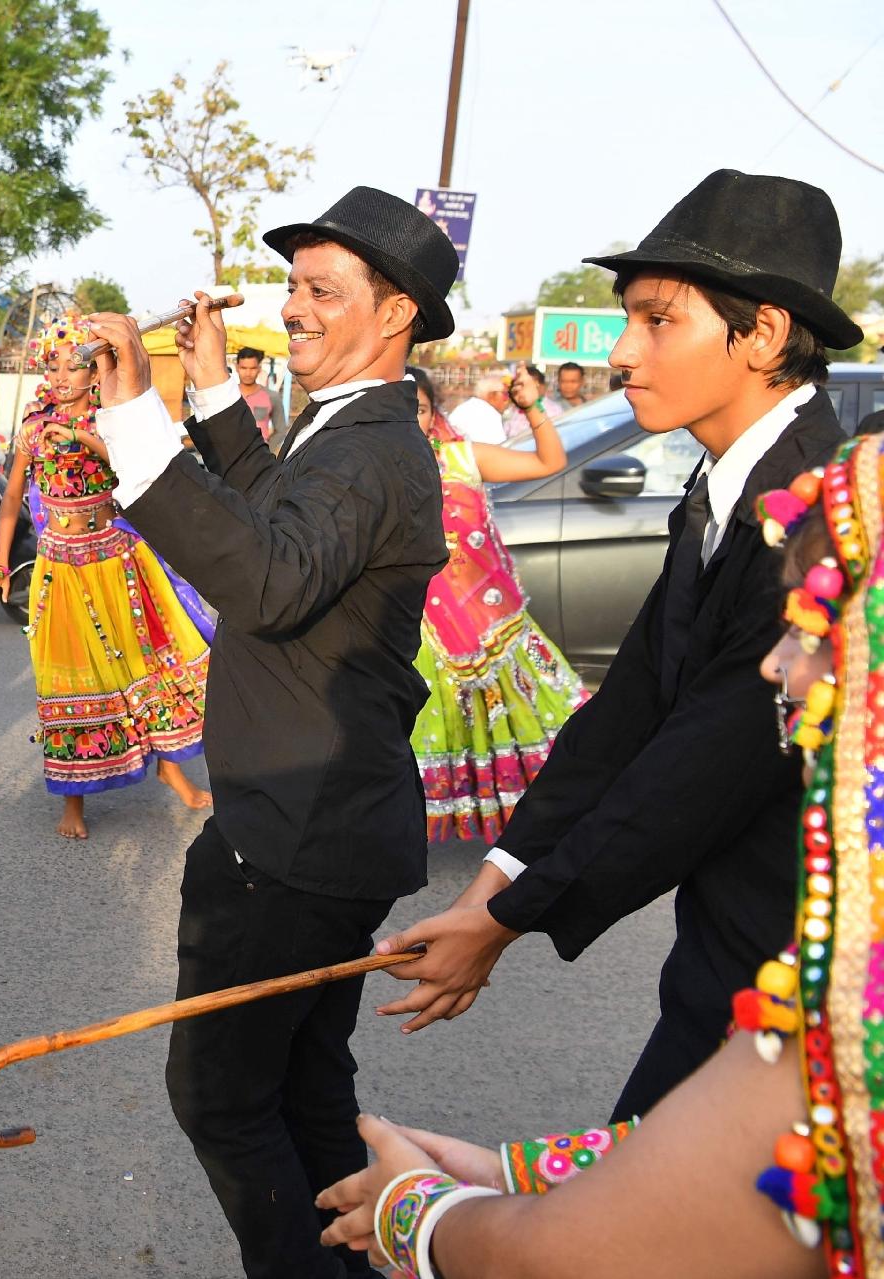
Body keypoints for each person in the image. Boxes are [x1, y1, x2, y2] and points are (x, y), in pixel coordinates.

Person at [310, 435, 884, 1279]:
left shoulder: (860, 991)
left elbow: (572, 1257)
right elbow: (740, 1158)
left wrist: (417, 1210)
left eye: (814, 633)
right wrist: (504, 1172)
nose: (777, 662)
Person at [374, 170, 861, 1126]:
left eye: (658, 320)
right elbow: (629, 710)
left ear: (761, 335)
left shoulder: (817, 517)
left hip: (803, 982)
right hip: (733, 955)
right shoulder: (724, 489)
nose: (624, 353)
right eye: (626, 320)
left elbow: (694, 774)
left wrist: (503, 924)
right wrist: (495, 880)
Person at [83, 186, 453, 1277]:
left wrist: (136, 418)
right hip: (320, 826)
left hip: (294, 838)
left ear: (394, 316)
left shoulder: (375, 449)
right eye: (290, 284)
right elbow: (276, 513)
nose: (291, 307)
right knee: (301, 1089)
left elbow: (265, 576)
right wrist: (205, 390)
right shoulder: (349, 432)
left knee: (221, 1097)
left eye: (320, 290)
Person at [0, 310, 212, 840]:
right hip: (60, 565)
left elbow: (134, 469)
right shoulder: (33, 429)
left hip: (116, 559)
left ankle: (172, 768)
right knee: (66, 676)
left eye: (75, 365)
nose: (62, 376)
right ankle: (73, 803)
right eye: (53, 365)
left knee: (145, 664)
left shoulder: (111, 419)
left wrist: (84, 441)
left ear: (95, 370)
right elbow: (12, 496)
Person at [406, 368, 583, 842]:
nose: (410, 418)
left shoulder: (464, 457)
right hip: (418, 625)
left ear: (433, 412)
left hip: (490, 621)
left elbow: (548, 463)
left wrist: (533, 407)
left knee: (519, 709)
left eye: (419, 408)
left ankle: (536, 819)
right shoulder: (374, 468)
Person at [235, 345, 288, 444]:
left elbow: (280, 431)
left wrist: (266, 452)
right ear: (237, 367)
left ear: (259, 369)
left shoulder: (272, 397)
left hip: (259, 456)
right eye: (244, 368)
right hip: (228, 456)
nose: (248, 373)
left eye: (252, 368)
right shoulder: (227, 396)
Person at [501, 362, 565, 443]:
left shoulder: (553, 410)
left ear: (542, 386)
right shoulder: (513, 409)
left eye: (529, 385)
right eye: (519, 385)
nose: (523, 389)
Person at [445, 371, 513, 445]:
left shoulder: (468, 407)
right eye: (506, 394)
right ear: (492, 395)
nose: (509, 399)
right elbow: (499, 450)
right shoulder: (487, 414)